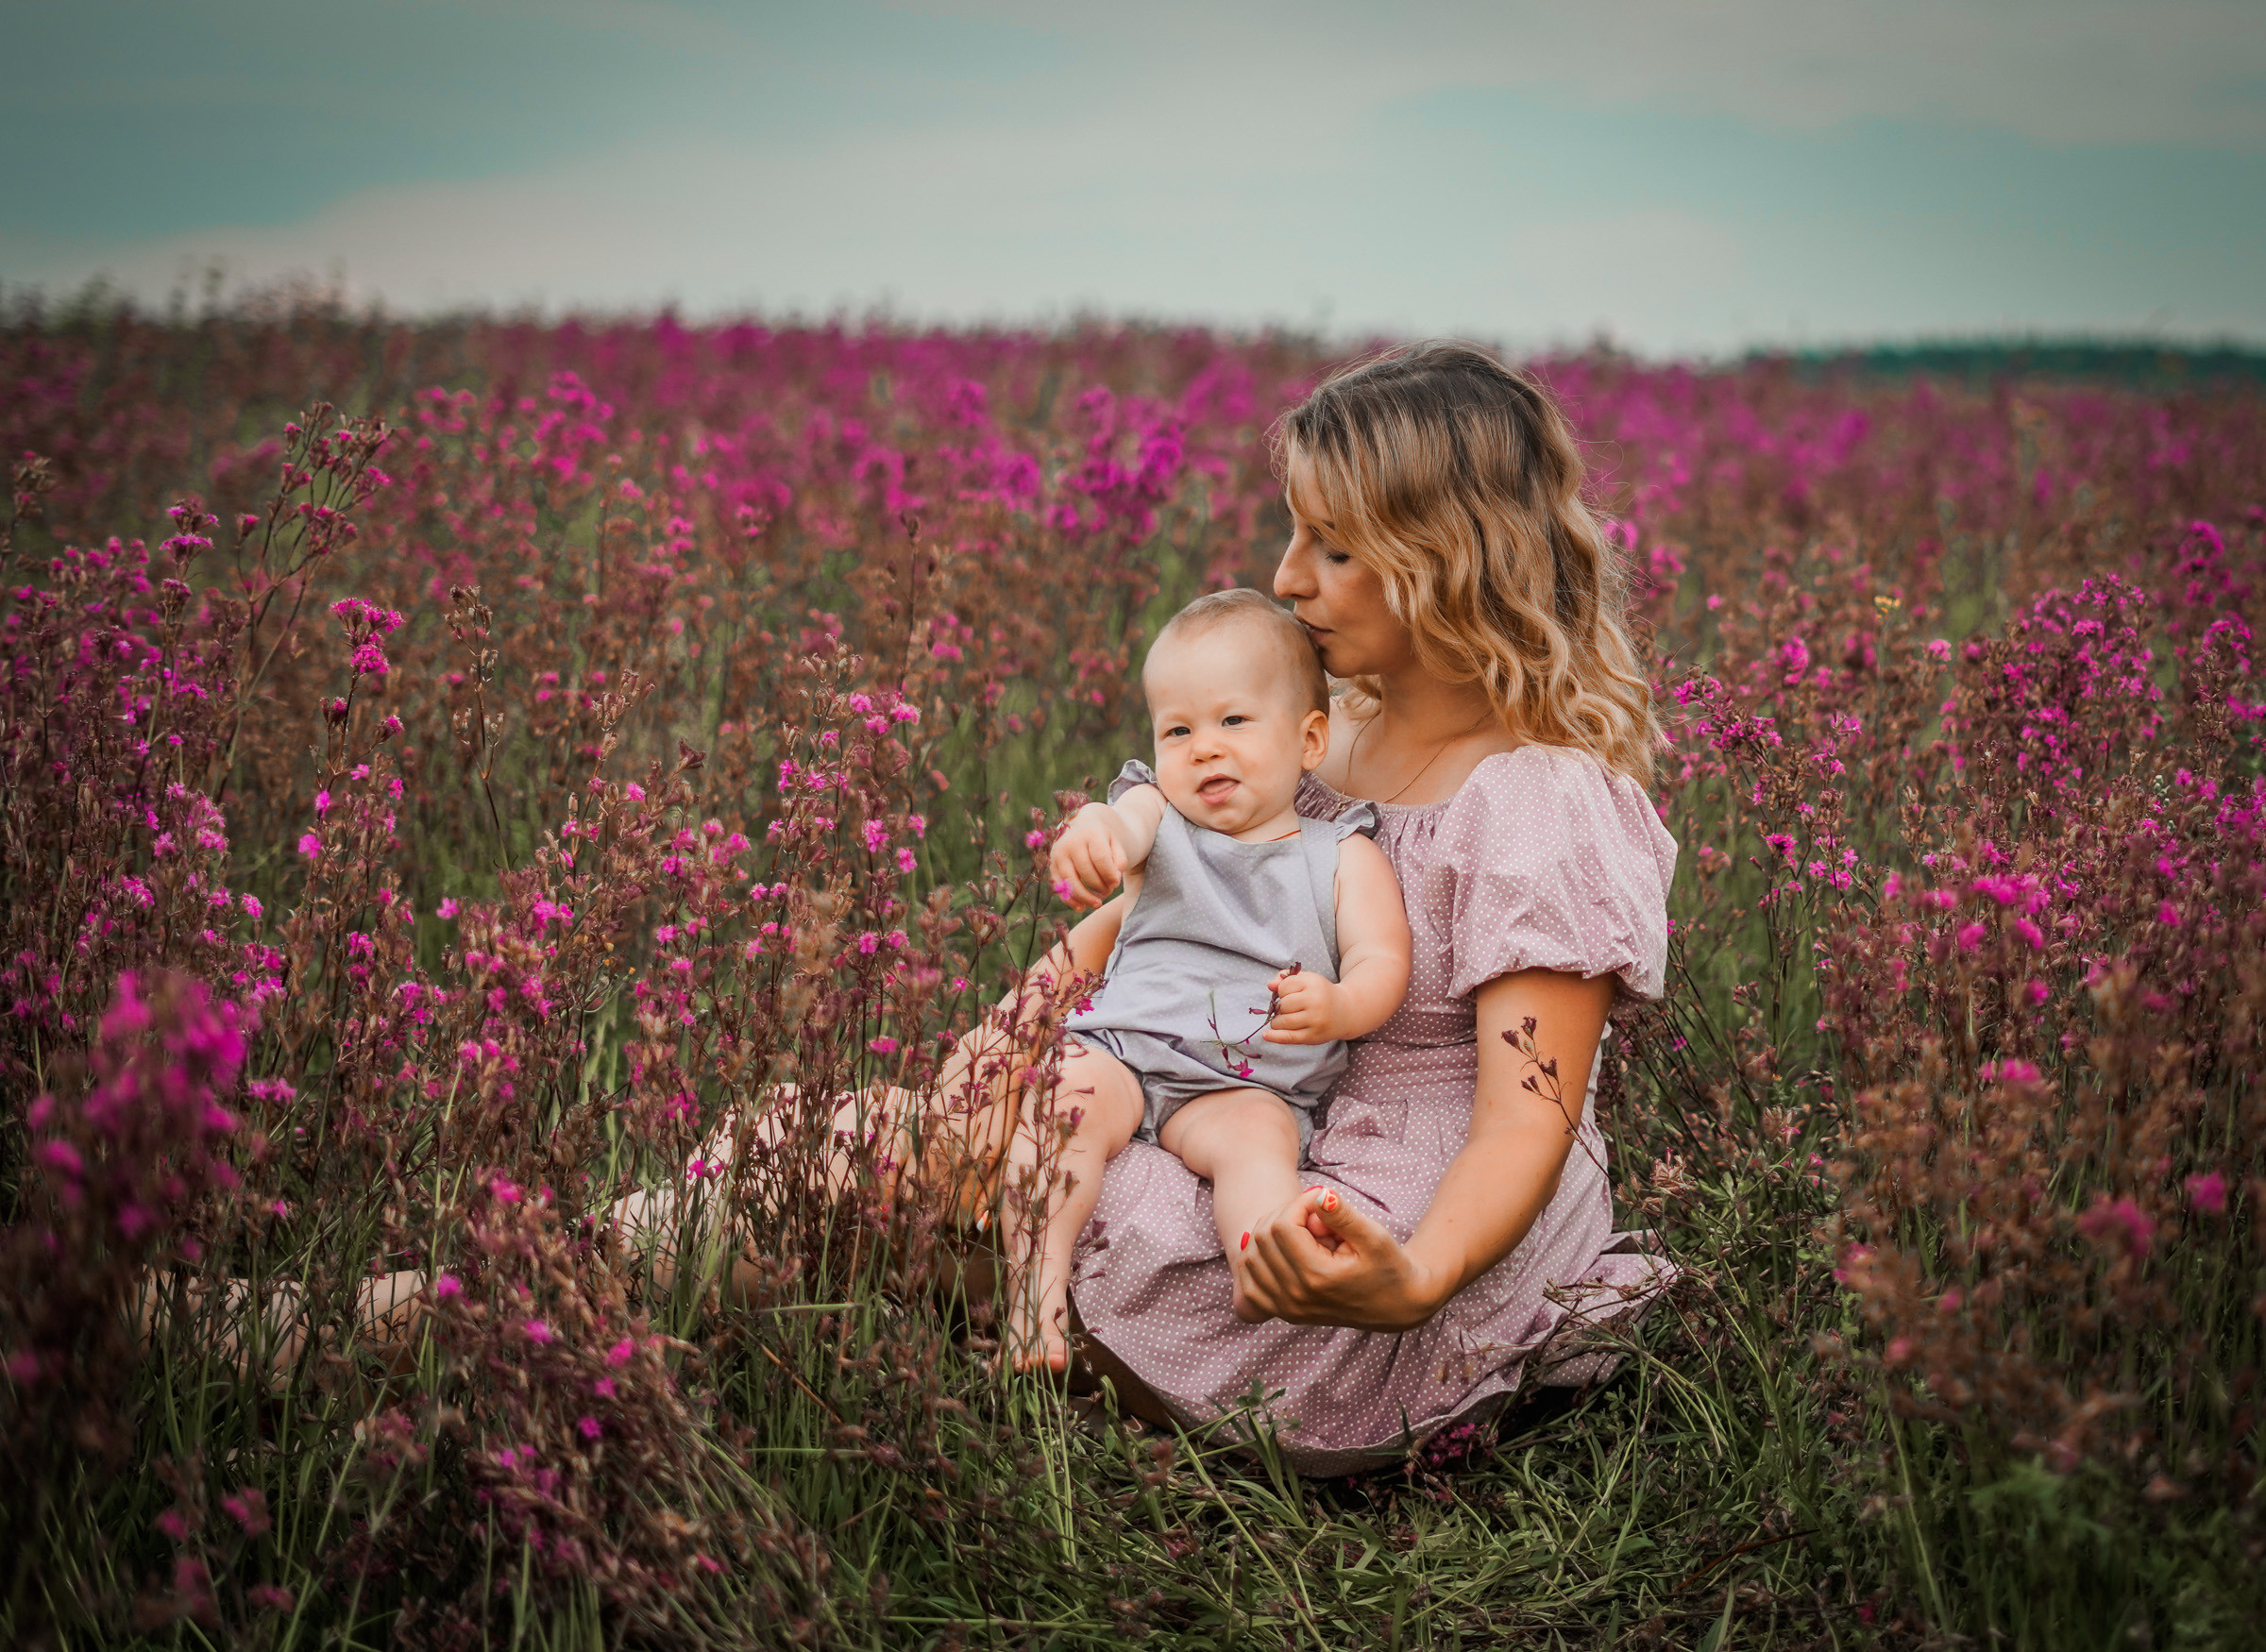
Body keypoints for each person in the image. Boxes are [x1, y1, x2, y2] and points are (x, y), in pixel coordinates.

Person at [1057, 341, 1680, 1473]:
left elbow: (1525, 1119)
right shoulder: (1316, 739)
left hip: (1406, 1235)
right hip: (1250, 1108)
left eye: (1333, 547)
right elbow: (1173, 906)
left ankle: (658, 1269)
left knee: (944, 1181)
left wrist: (1418, 1278)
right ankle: (668, 1255)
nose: (1287, 578)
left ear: (1449, 560)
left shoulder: (1536, 802)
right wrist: (1015, 1029)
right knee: (934, 1148)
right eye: (1295, 534)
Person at [1009, 588, 1412, 1371]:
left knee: (1259, 1151)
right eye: (1178, 730)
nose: (1203, 748)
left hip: (1244, 1086)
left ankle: (1263, 1264)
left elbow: (1381, 963)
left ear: (1309, 740)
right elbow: (1116, 825)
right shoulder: (1159, 818)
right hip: (1125, 1051)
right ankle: (1036, 1291)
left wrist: (1337, 1006)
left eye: (1233, 721)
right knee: (1061, 1106)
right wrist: (1091, 832)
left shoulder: (1341, 856)